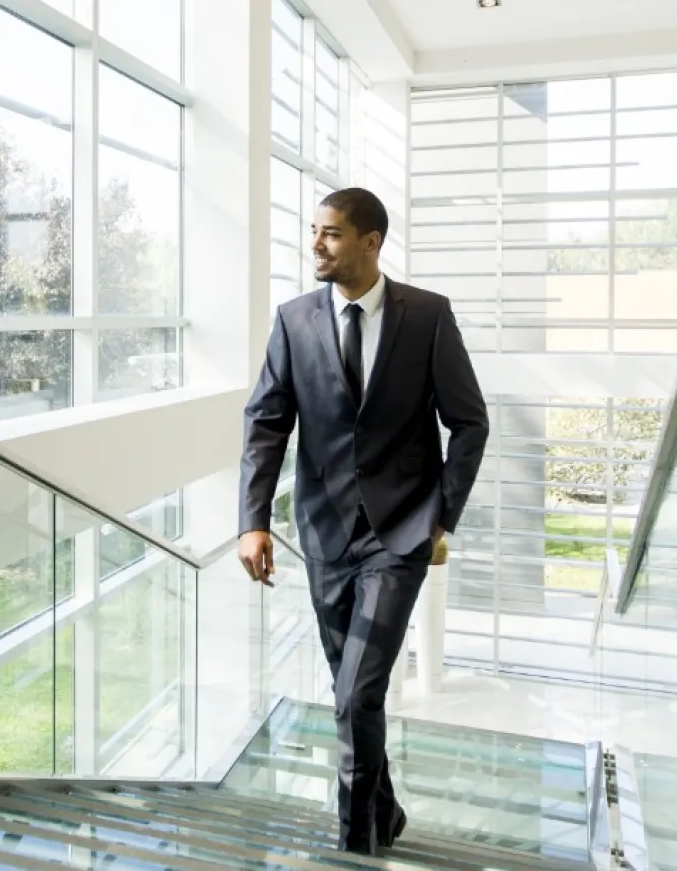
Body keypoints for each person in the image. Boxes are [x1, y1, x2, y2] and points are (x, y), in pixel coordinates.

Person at [238, 186, 488, 854]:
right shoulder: (294, 320)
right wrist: (253, 520)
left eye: (331, 234)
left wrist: (442, 517)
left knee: (356, 694)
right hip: (323, 535)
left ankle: (355, 845)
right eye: (314, 231)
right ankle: (386, 812)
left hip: (400, 534)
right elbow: (267, 422)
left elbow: (469, 422)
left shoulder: (427, 316)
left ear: (371, 242)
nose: (315, 245)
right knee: (352, 692)